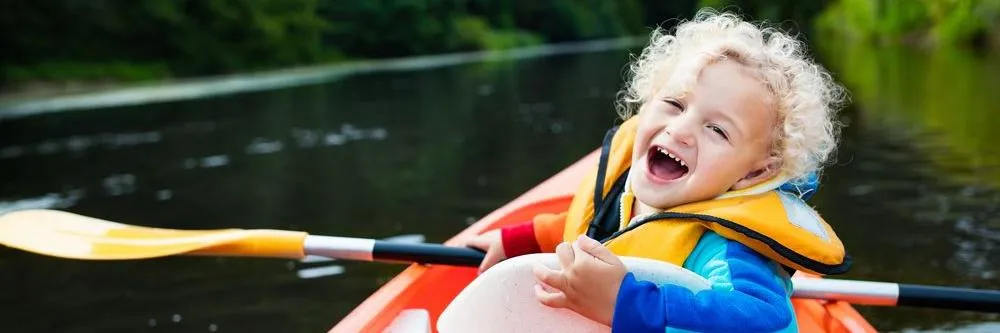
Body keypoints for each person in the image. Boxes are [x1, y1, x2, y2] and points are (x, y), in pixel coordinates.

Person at [466, 9, 852, 333]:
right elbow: (597, 227)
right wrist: (519, 240)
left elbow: (762, 318)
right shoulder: (633, 187)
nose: (680, 130)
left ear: (752, 174)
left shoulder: (727, 247)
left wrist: (627, 302)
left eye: (716, 130)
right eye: (674, 104)